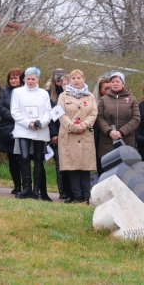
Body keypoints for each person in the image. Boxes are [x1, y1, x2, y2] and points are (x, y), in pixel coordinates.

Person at [10, 67, 53, 200]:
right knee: (24, 158)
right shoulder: (17, 92)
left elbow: (48, 112)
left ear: (38, 79)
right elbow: (15, 111)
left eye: (33, 79)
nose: (30, 81)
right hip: (24, 129)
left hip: (40, 130)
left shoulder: (44, 93)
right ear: (24, 79)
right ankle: (26, 188)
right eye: (28, 78)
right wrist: (28, 123)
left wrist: (41, 123)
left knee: (39, 159)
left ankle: (36, 191)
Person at [57, 69, 98, 203]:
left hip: (85, 135)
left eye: (78, 78)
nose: (76, 80)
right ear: (70, 81)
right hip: (70, 135)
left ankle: (86, 196)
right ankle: (76, 196)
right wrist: (73, 127)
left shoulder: (90, 96)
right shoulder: (64, 96)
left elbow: (93, 112)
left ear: (83, 80)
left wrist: (84, 125)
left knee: (85, 167)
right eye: (73, 78)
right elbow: (60, 113)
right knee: (72, 166)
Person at [96, 72, 140, 165]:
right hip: (107, 143)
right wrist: (110, 132)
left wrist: (121, 132)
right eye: (113, 81)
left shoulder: (132, 99)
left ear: (123, 83)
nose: (115, 84)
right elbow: (99, 118)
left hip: (127, 142)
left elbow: (136, 118)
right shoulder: (103, 100)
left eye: (117, 81)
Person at [0, 68, 24, 195]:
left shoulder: (25, 91)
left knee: (24, 158)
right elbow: (0, 107)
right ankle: (17, 185)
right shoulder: (4, 91)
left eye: (16, 78)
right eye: (11, 78)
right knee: (12, 159)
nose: (13, 80)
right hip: (8, 128)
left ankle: (26, 185)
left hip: (24, 128)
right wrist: (14, 116)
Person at [46, 68, 68, 201]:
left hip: (69, 133)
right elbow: (49, 116)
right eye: (57, 78)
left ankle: (71, 190)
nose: (59, 81)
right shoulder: (49, 94)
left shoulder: (69, 92)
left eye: (62, 78)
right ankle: (62, 191)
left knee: (69, 163)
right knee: (59, 164)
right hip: (56, 133)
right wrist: (53, 134)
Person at [94, 76, 112, 176]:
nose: (108, 91)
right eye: (106, 89)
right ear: (100, 90)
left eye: (110, 88)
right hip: (98, 140)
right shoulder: (95, 103)